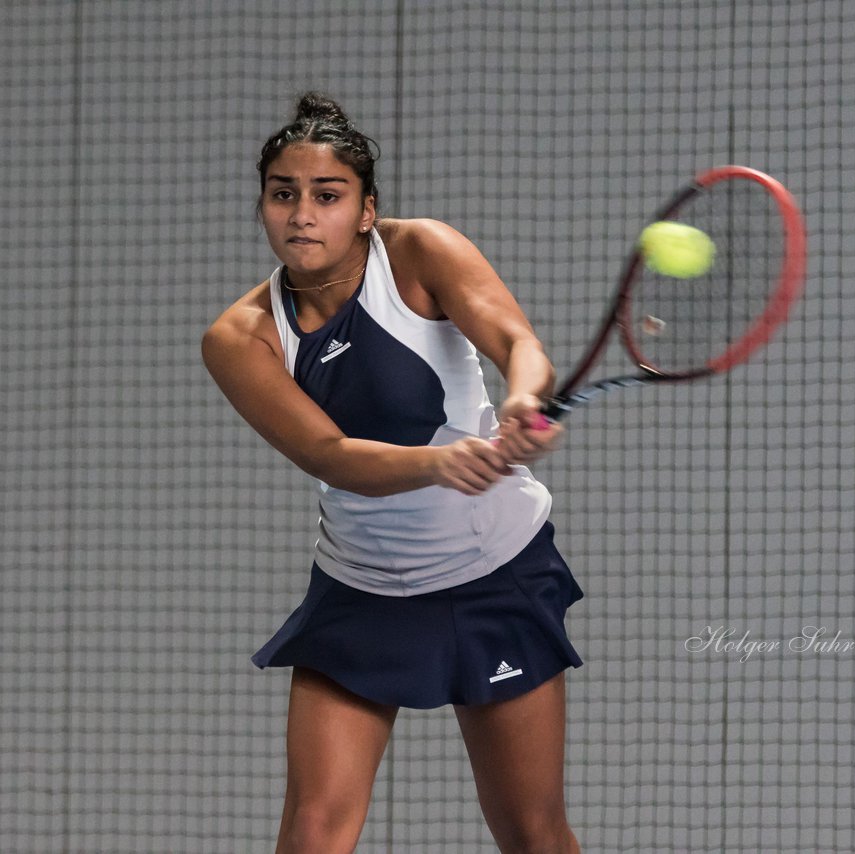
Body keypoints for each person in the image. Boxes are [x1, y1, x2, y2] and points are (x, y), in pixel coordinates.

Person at [202, 92, 582, 854]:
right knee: (312, 832)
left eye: (327, 195)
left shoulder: (422, 253)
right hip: (363, 588)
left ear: (367, 211)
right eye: (283, 194)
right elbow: (329, 455)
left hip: (493, 576)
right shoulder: (241, 337)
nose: (302, 214)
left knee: (532, 832)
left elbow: (515, 340)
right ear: (263, 207)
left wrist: (524, 397)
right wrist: (445, 462)